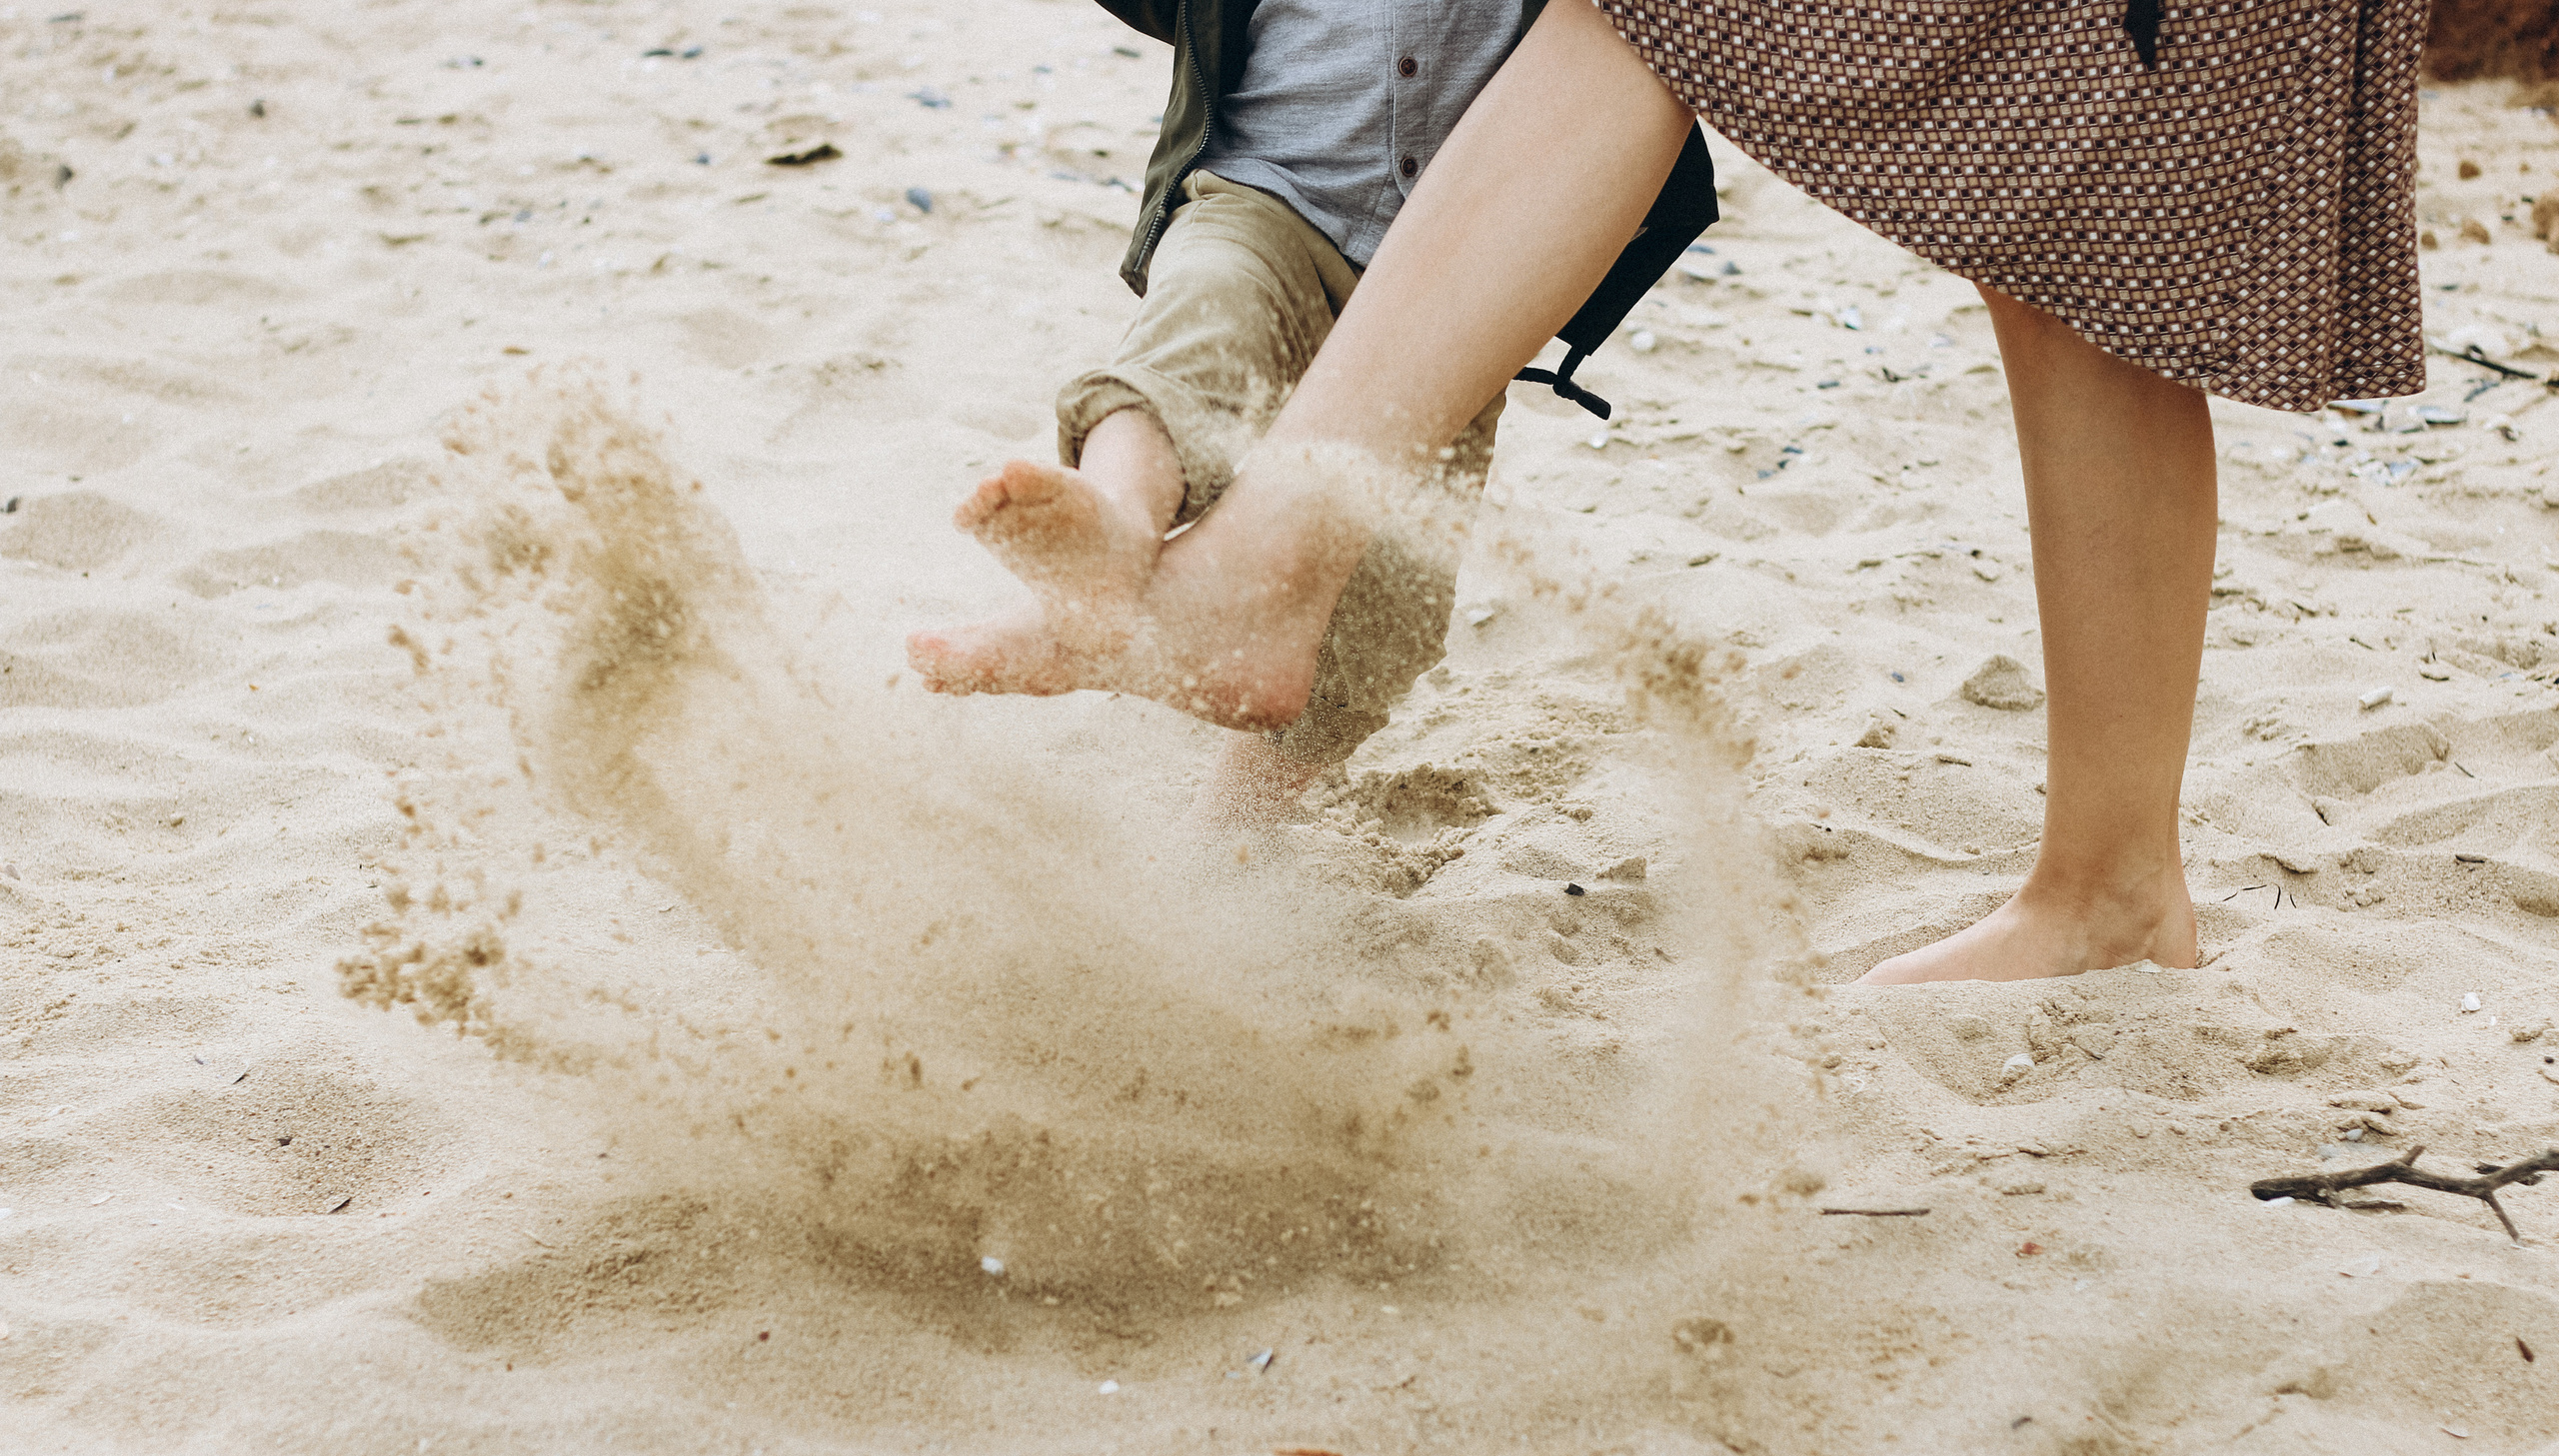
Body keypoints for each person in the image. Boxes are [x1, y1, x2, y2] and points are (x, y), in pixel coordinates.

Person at [911, 0, 2427, 983]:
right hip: (1263, 213)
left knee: (1661, 16)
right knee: (2096, 196)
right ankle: (2114, 881)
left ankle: (1269, 560)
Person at [907, 0, 1715, 826]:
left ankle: (1236, 822)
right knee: (1193, 343)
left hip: (1463, 284)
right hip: (1264, 198)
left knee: (1384, 608)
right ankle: (1114, 524)